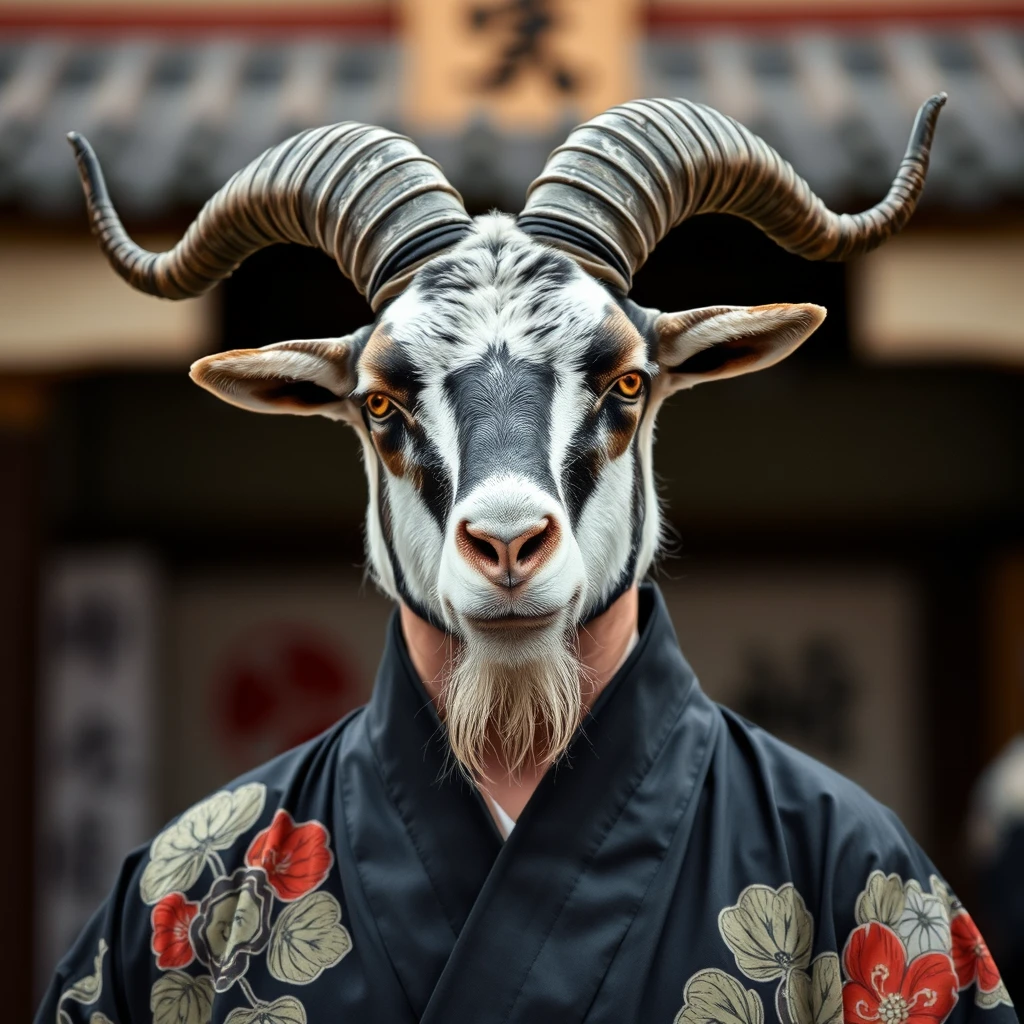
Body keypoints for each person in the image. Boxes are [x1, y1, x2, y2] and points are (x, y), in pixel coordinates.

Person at [40, 97, 1017, 1023]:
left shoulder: (845, 876)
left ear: (697, 367)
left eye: (618, 382)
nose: (506, 519)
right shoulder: (183, 913)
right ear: (311, 398)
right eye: (388, 403)